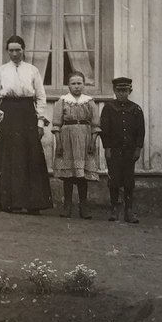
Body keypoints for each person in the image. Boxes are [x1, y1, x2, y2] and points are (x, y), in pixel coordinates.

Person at [0, 35, 53, 215]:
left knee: (31, 157)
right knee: (8, 157)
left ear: (24, 50)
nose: (15, 54)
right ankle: (8, 203)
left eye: (18, 50)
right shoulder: (1, 71)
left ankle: (33, 204)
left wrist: (40, 122)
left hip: (27, 114)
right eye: (11, 50)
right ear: (7, 51)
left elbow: (40, 97)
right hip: (7, 114)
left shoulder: (32, 70)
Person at [50, 73, 102, 219]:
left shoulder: (89, 102)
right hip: (67, 138)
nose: (77, 86)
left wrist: (92, 141)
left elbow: (95, 124)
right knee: (68, 175)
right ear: (68, 85)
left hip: (85, 138)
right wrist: (59, 143)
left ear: (84, 84)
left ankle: (83, 207)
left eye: (79, 83)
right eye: (73, 83)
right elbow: (56, 124)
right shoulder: (62, 101)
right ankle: (67, 207)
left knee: (82, 176)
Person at [99, 76, 144, 224]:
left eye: (124, 90)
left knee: (128, 180)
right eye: (119, 91)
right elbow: (104, 130)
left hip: (129, 151)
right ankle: (114, 209)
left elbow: (140, 131)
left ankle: (128, 211)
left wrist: (138, 148)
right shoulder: (108, 108)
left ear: (130, 91)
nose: (121, 93)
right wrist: (107, 148)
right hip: (114, 150)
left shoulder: (136, 109)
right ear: (114, 91)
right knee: (114, 179)